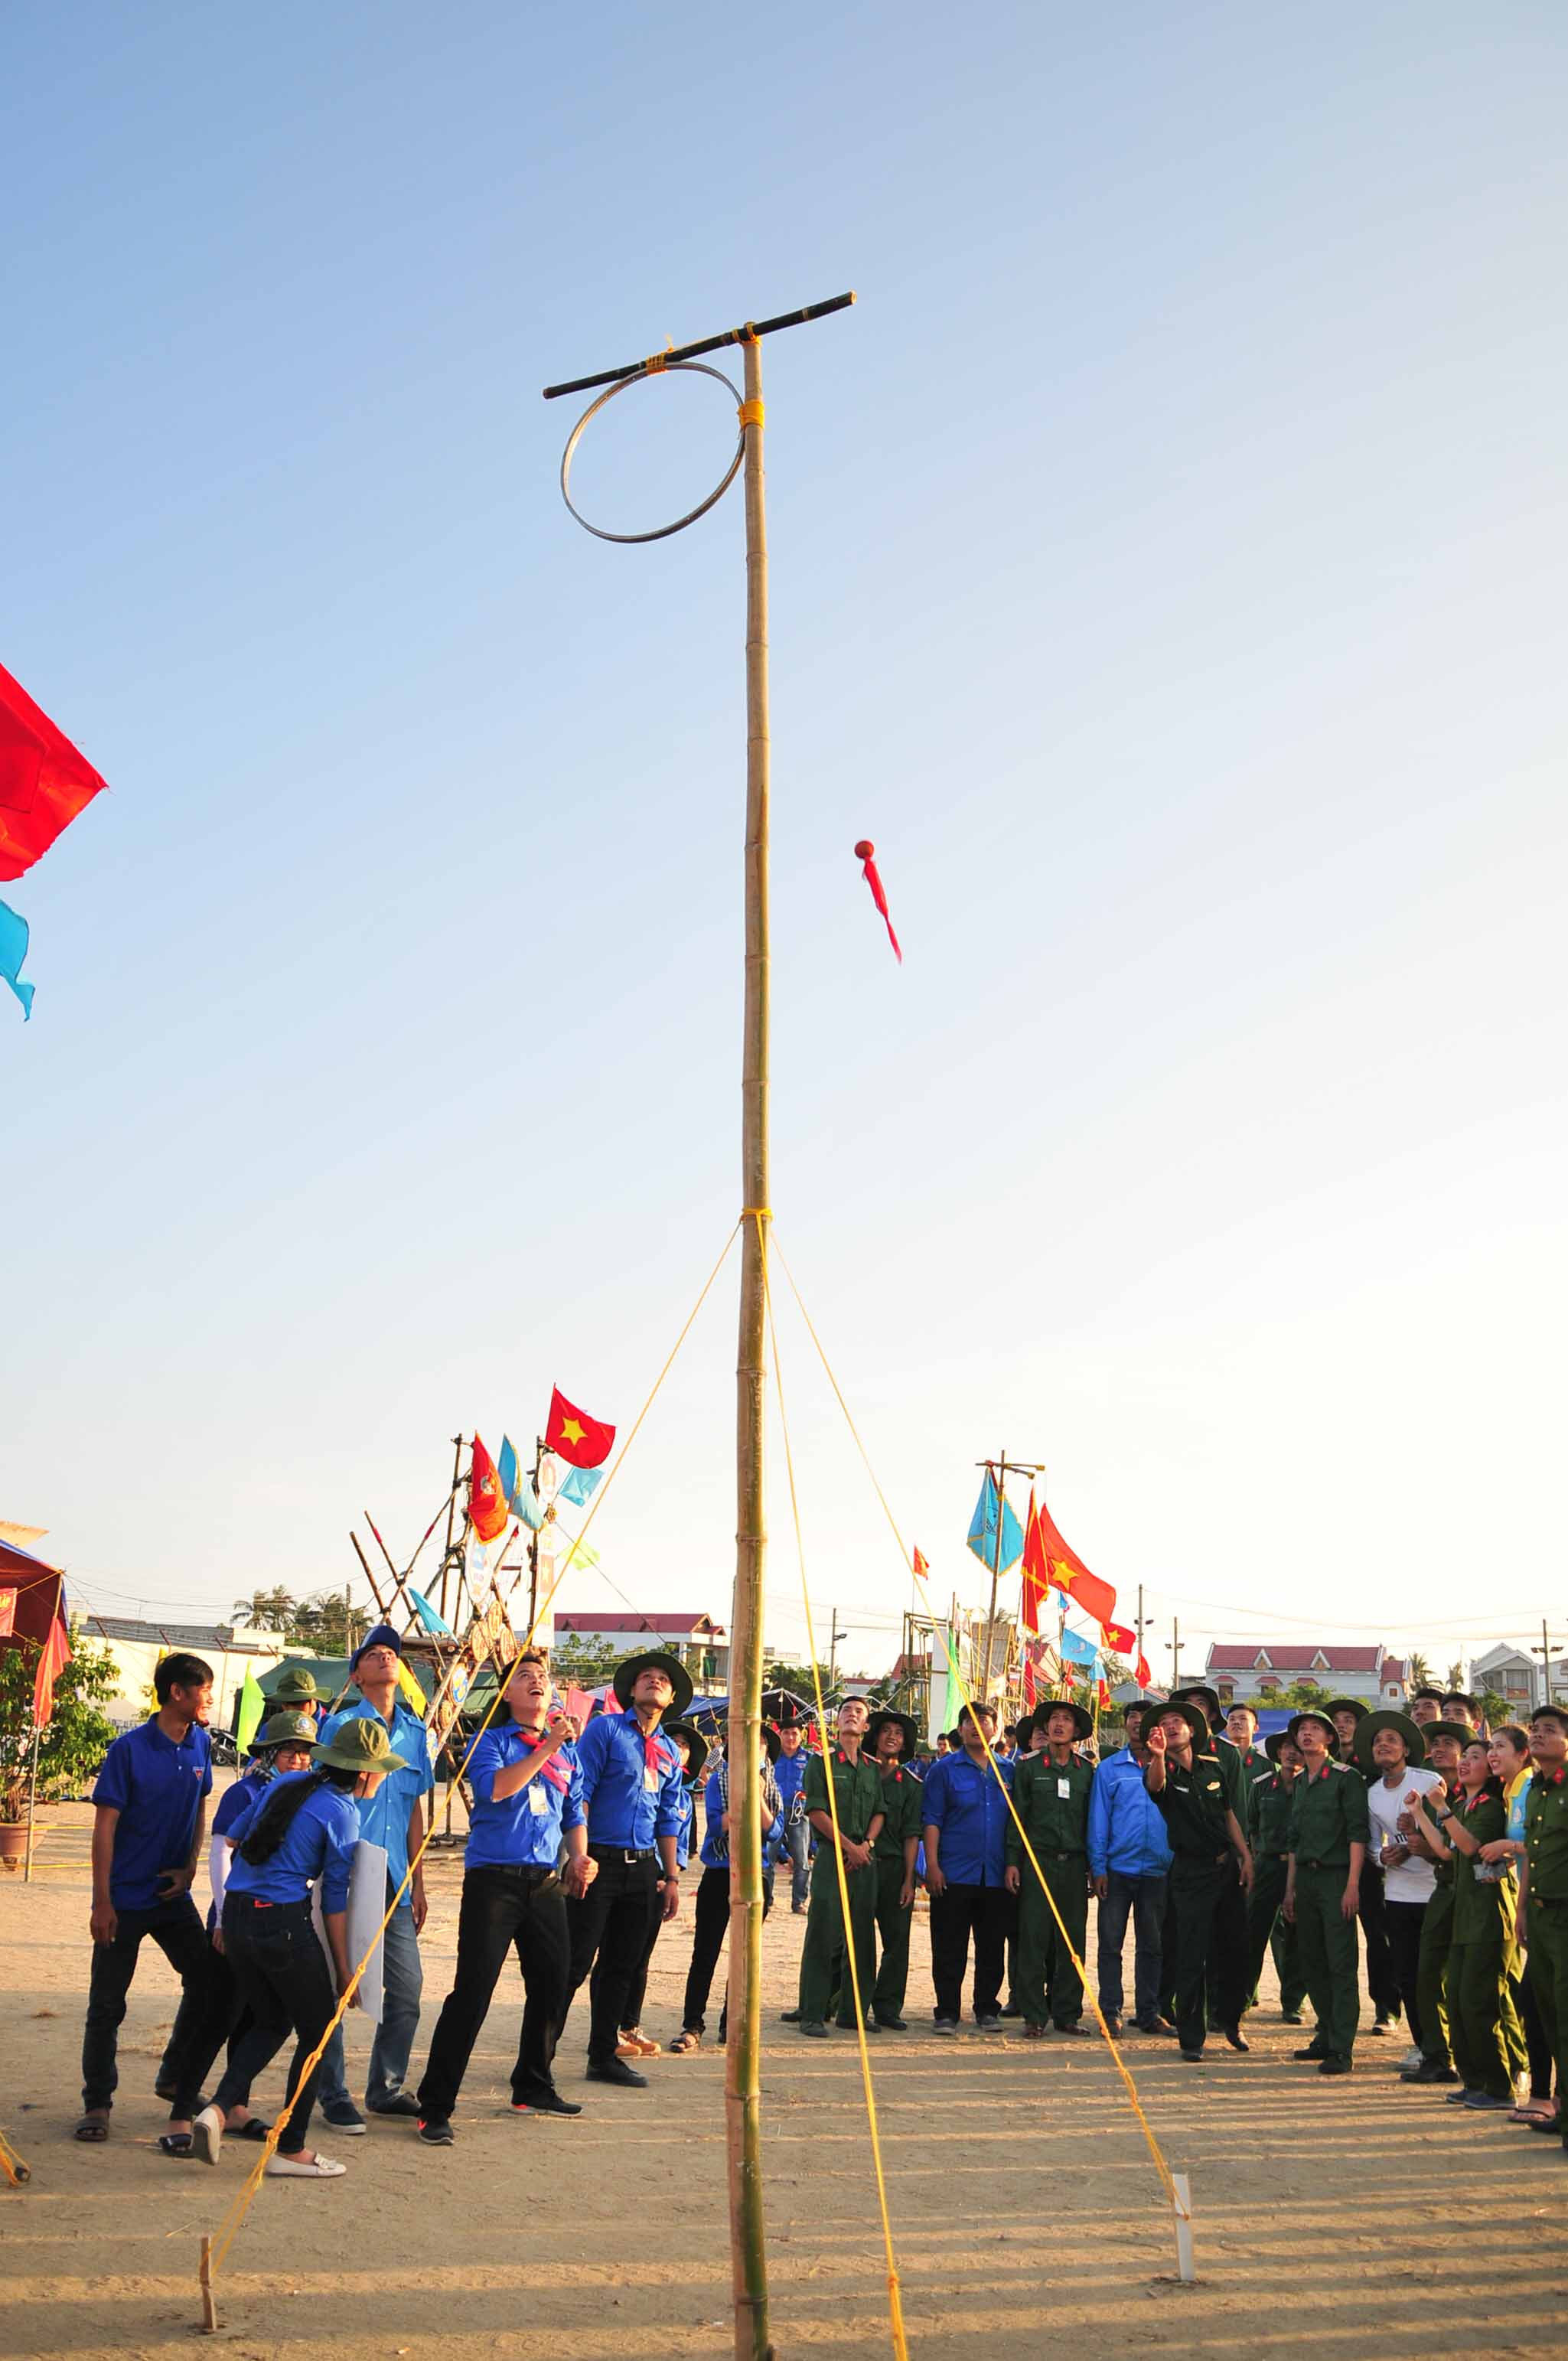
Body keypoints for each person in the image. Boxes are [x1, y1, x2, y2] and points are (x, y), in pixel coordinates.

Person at [191, 1717, 404, 2179]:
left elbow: (234, 1838)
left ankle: (219, 2108)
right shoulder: (343, 1811)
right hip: (280, 1922)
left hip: (240, 1915)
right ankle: (292, 2148)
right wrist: (347, 1971)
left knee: (271, 2020)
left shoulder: (287, 1782)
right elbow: (334, 1902)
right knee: (319, 2032)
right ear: (366, 1772)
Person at [412, 1652, 588, 2144]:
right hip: (495, 1881)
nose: (536, 1682)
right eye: (524, 1678)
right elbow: (497, 1789)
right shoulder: (491, 1742)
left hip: (545, 1882)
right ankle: (435, 2106)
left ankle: (533, 2085)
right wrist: (548, 1746)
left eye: (542, 1677)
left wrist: (579, 1857)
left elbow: (574, 1812)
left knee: (554, 1984)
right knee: (473, 1992)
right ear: (507, 1695)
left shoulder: (568, 1754)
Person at [78, 1652, 218, 2151]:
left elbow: (201, 1806)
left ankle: (175, 2078)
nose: (210, 1696)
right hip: (124, 1900)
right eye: (203, 1688)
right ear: (177, 1692)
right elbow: (104, 1828)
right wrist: (101, 1901)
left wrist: (190, 1867)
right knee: (106, 2004)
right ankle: (97, 2103)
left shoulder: (201, 1742)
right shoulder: (129, 1750)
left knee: (208, 1981)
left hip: (171, 1896)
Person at [174, 1709, 321, 2142]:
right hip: (234, 1919)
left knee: (255, 2018)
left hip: (269, 1919)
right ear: (270, 1753)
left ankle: (233, 2109)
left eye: (305, 1753)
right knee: (217, 2019)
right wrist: (220, 1915)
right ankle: (182, 2115)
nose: (298, 1760)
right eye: (290, 1752)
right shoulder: (245, 1792)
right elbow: (221, 1854)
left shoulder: (301, 1794)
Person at [313, 1625, 436, 2131]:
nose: (386, 1656)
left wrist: (419, 1881)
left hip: (395, 1878)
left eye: (393, 1652)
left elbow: (413, 1810)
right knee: (337, 1986)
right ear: (357, 1674)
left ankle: (385, 2087)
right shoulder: (339, 1725)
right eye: (373, 1653)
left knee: (407, 1989)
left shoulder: (415, 1731)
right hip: (345, 1868)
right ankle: (332, 2091)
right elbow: (323, 1794)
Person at [559, 1648, 689, 2086]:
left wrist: (671, 1877)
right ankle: (536, 2056)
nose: (655, 1681)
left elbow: (669, 1817)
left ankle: (603, 2056)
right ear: (632, 1690)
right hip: (598, 1860)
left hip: (644, 1869)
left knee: (621, 1964)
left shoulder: (671, 1751)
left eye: (663, 1680)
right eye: (646, 1677)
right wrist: (579, 1856)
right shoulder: (606, 1730)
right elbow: (581, 1792)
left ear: (671, 1699)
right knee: (574, 1962)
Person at [1406, 1738, 1522, 2110]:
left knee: (1479, 2003)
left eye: (1477, 1756)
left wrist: (1440, 1807)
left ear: (1490, 1770)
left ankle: (1500, 2086)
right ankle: (1474, 2081)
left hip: (1488, 1916)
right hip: (1464, 1915)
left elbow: (1470, 1846)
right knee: (1457, 1999)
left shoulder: (1489, 1806)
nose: (1469, 1762)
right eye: (1468, 1756)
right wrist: (1423, 1812)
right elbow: (1443, 1850)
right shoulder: (1462, 1804)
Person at [1143, 1699, 1252, 2059]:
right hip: (1191, 1873)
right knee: (1192, 1955)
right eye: (1165, 1723)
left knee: (1234, 1950)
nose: (1173, 1726)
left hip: (1226, 1869)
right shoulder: (1160, 1771)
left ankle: (1231, 2022)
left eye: (1179, 1721)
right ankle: (1192, 2037)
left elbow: (1229, 1815)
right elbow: (1155, 1788)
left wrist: (1246, 1857)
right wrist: (1158, 1756)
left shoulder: (1213, 1768)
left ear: (1193, 1731)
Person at [667, 1721, 777, 2053]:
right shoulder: (718, 1781)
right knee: (706, 1951)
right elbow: (716, 1826)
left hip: (757, 1874)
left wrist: (756, 1797)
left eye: (760, 1743)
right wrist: (741, 1802)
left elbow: (774, 1832)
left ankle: (732, 2024)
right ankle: (692, 2025)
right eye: (749, 1742)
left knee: (745, 1957)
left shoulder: (771, 1785)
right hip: (720, 1872)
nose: (754, 1748)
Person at [1354, 1708, 1442, 2072]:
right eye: (1377, 1742)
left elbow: (1446, 1832)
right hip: (1398, 1894)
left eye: (1391, 1740)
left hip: (1436, 1891)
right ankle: (1423, 2046)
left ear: (1406, 1750)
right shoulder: (1373, 1794)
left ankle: (1445, 2047)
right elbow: (1373, 1845)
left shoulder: (1428, 1781)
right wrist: (1384, 1856)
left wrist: (1415, 1843)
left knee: (1435, 1975)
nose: (1383, 1745)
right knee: (1406, 1974)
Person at [1283, 1707, 1368, 2077]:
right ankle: (1325, 2032)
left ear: (1330, 1739)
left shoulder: (1346, 1778)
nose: (1307, 1734)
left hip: (1336, 1879)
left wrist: (1352, 1885)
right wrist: (1289, 1891)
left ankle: (1342, 2047)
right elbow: (1295, 1843)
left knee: (1340, 1963)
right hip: (1305, 1878)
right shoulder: (1301, 1782)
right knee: (1311, 1960)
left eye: (1316, 1729)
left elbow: (1357, 1834)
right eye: (1302, 1729)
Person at [920, 1702, 1015, 2034]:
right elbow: (932, 1819)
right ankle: (946, 2012)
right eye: (969, 1722)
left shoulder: (1009, 1771)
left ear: (995, 1729)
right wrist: (931, 1865)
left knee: (992, 1946)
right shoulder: (943, 1770)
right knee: (949, 1946)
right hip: (954, 1873)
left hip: (997, 1874)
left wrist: (1013, 1865)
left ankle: (987, 2009)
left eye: (984, 1721)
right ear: (959, 1730)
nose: (977, 1727)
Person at [618, 1718, 710, 2056]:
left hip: (658, 1879)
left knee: (641, 1957)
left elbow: (683, 1845)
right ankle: (608, 2030)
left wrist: (671, 1876)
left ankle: (629, 2025)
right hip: (627, 1870)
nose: (679, 1749)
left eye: (685, 1746)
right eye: (674, 1741)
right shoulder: (637, 1780)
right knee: (615, 1956)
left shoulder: (683, 1798)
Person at [794, 1698, 885, 2036]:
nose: (852, 1715)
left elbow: (879, 1812)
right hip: (834, 1856)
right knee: (823, 1932)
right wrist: (849, 1847)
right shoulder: (823, 1763)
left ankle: (854, 2011)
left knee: (861, 1935)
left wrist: (866, 1847)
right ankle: (813, 2012)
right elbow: (816, 1812)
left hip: (864, 1856)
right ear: (838, 1723)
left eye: (859, 1713)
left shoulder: (872, 1767)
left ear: (865, 1727)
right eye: (847, 1711)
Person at [1006, 1700, 1094, 2036]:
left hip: (1073, 1865)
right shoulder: (1027, 1767)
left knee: (1072, 1942)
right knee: (1033, 1939)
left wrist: (1093, 1868)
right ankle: (1033, 2015)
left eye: (1066, 1720)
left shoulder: (1086, 1771)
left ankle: (1068, 2013)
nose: (1059, 1724)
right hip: (1037, 1862)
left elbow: (1092, 1824)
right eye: (1054, 1719)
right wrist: (1013, 1862)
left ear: (1076, 1731)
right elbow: (1017, 1819)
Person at [1087, 1700, 1173, 2037]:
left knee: (1152, 1946)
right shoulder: (1109, 1769)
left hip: (1157, 1871)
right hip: (1117, 1871)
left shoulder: (1169, 1765)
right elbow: (1098, 1821)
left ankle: (1150, 2014)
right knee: (1111, 1945)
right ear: (1124, 1724)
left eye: (1145, 1718)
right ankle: (1111, 2013)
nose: (1138, 1723)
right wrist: (1098, 1868)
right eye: (1132, 1717)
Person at [1485, 1725, 1555, 2121]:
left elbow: (1544, 1843)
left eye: (1500, 1748)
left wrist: (1508, 1847)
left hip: (1554, 1904)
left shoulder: (1530, 1785)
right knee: (1533, 1999)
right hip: (1533, 1900)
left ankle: (1545, 2095)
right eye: (1490, 1747)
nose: (1493, 1754)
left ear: (1523, 1753)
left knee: (1537, 2000)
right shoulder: (1513, 1789)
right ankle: (1543, 2095)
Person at [1399, 1720, 1469, 2084]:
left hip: (1473, 1894)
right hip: (1441, 1891)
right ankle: (1438, 2055)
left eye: (1449, 1743)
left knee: (1469, 1981)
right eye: (1435, 1743)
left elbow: (1463, 1849)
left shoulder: (1475, 1792)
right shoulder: (1430, 1796)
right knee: (1427, 1977)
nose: (1439, 1749)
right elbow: (1438, 1853)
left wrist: (1427, 1843)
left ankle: (1488, 2062)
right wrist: (1413, 1840)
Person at [1520, 1704, 1568, 2156]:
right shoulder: (1535, 1789)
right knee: (1550, 2015)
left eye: (1548, 1730)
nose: (1537, 1736)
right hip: (1540, 1915)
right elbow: (1533, 1856)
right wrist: (1521, 1913)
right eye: (1534, 1730)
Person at [1243, 1733, 1308, 2026]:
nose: (1291, 1754)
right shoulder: (1261, 1786)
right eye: (1286, 1749)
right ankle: (1242, 1998)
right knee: (1253, 1933)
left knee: (1295, 1937)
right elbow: (1252, 1826)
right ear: (1278, 1752)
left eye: (1297, 1749)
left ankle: (1293, 2002)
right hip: (1267, 1866)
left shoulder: (1312, 1788)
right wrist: (1255, 1861)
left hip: (1302, 1870)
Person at [865, 1708, 923, 2031]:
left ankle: (887, 2007)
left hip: (894, 1868)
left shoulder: (912, 1784)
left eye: (898, 1733)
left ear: (904, 1744)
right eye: (886, 1730)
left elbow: (911, 1834)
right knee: (852, 1939)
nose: (891, 1736)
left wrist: (909, 1879)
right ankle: (847, 2004)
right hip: (859, 1864)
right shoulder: (861, 1772)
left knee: (896, 1941)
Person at [774, 1716, 813, 1913]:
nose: (790, 1737)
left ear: (801, 1736)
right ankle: (767, 1900)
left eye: (794, 1733)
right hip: (774, 1812)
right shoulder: (771, 1757)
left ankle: (799, 1902)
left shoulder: (809, 1758)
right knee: (768, 1856)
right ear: (780, 1735)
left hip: (799, 1813)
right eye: (786, 1733)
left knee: (801, 1859)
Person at [1224, 1702, 1270, 1779]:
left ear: (1255, 1728)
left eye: (1243, 1718)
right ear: (1226, 1728)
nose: (1236, 1722)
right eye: (1232, 1719)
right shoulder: (1217, 1760)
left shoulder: (1266, 1763)